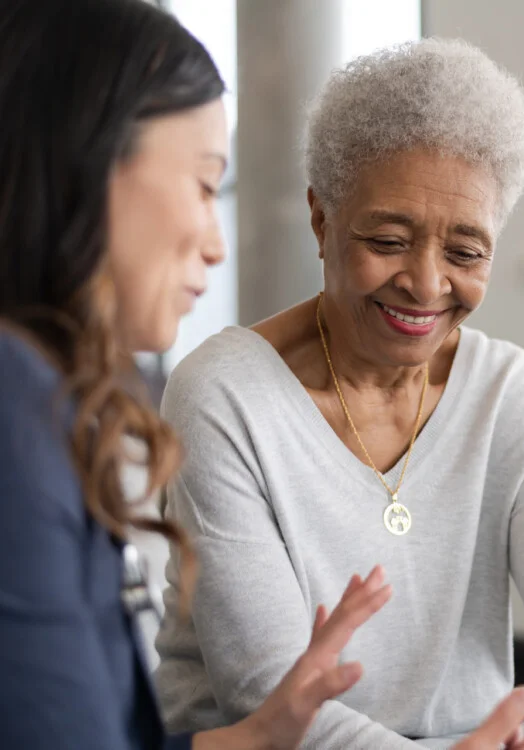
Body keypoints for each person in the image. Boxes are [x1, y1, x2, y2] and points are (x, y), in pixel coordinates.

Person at [0, 0, 395, 748]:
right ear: (88, 156)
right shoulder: (13, 404)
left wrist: (258, 734)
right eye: (205, 185)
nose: (216, 245)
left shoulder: (40, 402)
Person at [155, 38, 524, 749]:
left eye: (465, 253)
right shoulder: (224, 398)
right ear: (320, 219)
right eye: (389, 239)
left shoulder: (516, 397)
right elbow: (274, 703)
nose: (427, 286)